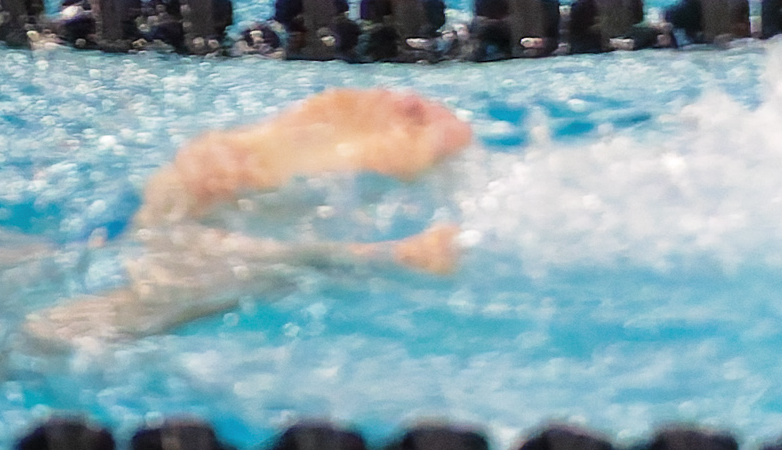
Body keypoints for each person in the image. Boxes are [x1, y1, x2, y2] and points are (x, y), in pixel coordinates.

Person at [30, 90, 469, 347]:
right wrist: (391, 257)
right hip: (194, 227)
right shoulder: (209, 228)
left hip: (171, 219)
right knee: (50, 332)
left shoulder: (210, 180)